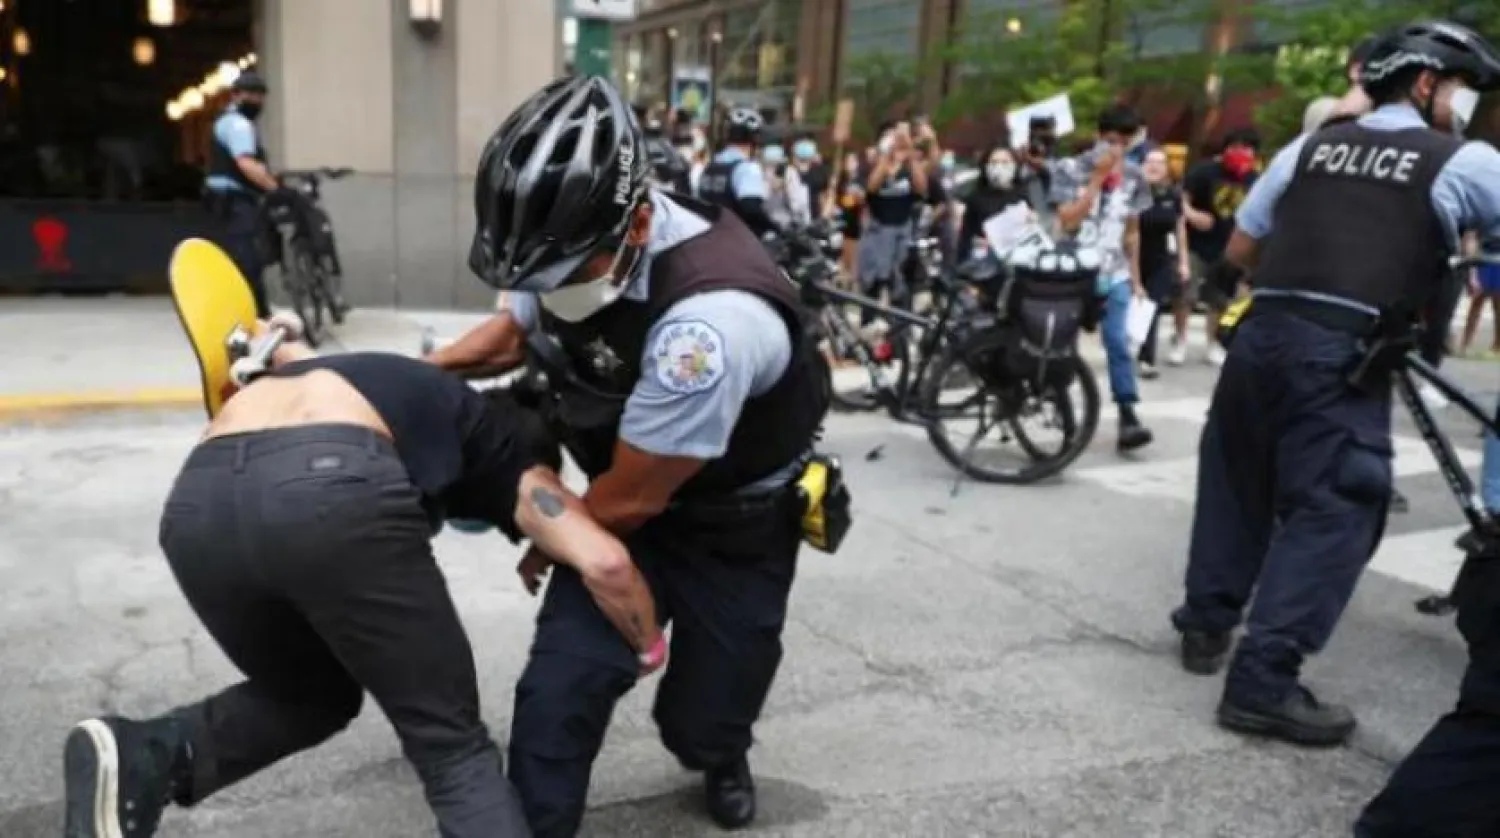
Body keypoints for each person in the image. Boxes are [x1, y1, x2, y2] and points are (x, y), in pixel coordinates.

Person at [60, 328, 668, 838]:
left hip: (197, 503)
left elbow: (287, 351)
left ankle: (147, 757)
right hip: (332, 491)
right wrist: (647, 646)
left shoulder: (384, 376)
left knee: (307, 694)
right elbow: (607, 564)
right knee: (451, 746)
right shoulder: (507, 451)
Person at [428, 75, 831, 837]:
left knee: (704, 717)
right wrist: (428, 375)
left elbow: (636, 498)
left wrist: (557, 539)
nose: (539, 290)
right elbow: (513, 331)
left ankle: (721, 753)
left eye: (555, 278)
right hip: (626, 497)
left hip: (729, 525)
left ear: (638, 224)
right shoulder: (564, 238)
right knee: (556, 695)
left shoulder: (704, 331)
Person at [1171, 20, 1500, 754]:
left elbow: (1244, 243)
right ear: (1424, 84)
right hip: (1340, 352)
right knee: (1337, 505)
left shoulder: (1311, 145)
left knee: (1238, 482)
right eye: (1461, 88)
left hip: (1262, 335)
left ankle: (1205, 625)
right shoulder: (1459, 159)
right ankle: (1261, 682)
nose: (1465, 104)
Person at [1049, 104, 1155, 452]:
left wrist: (1136, 278)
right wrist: (1096, 180)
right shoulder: (1069, 169)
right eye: (1111, 140)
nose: (1117, 150)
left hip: (1114, 271)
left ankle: (1127, 413)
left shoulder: (1136, 176)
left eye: (1126, 143)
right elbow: (1067, 220)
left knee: (1117, 342)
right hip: (1074, 267)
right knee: (1063, 344)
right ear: (1098, 136)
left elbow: (1132, 231)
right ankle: (1064, 412)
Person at [1180, 128, 1262, 366]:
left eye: (1246, 148)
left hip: (1229, 248)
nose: (1240, 153)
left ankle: (1213, 344)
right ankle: (1180, 338)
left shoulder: (1255, 179)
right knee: (1185, 295)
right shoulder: (1204, 172)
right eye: (1235, 147)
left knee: (1219, 300)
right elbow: (1181, 199)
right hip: (1197, 244)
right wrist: (1193, 215)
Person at [203, 70, 277, 318]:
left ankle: (244, 313)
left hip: (221, 202)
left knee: (236, 257)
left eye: (259, 95)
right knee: (248, 261)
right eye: (251, 94)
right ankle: (256, 316)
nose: (256, 100)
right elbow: (245, 163)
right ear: (235, 95)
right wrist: (276, 188)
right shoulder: (239, 124)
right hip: (235, 203)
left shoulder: (225, 120)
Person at [857, 120, 929, 320]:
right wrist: (887, 158)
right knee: (871, 287)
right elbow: (871, 187)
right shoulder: (871, 165)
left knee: (902, 287)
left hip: (903, 232)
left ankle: (900, 335)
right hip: (877, 232)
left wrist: (910, 154)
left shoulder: (909, 168)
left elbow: (921, 188)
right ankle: (868, 326)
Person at [1134, 147, 1192, 379]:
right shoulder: (1133, 192)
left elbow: (1180, 229)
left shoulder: (1173, 195)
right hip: (1132, 257)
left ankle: (1146, 358)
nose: (1154, 166)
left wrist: (1183, 261)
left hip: (1159, 258)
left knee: (1152, 307)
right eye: (1150, 161)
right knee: (1128, 308)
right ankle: (1123, 348)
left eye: (1160, 162)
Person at [695, 107, 777, 236]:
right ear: (754, 138)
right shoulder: (746, 168)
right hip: (736, 242)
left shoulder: (710, 168)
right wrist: (776, 229)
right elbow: (751, 208)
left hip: (708, 239)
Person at [957, 144, 1029, 261]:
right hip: (986, 261)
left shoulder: (1023, 195)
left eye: (1005, 162)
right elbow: (966, 236)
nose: (999, 167)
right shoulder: (976, 198)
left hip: (1019, 259)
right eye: (994, 163)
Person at [761, 141, 811, 226]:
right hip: (786, 225)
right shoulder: (790, 174)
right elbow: (798, 205)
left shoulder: (788, 174)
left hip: (777, 224)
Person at [791, 133, 831, 212]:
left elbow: (821, 183)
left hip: (813, 212)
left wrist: (815, 164)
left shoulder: (819, 170)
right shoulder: (791, 170)